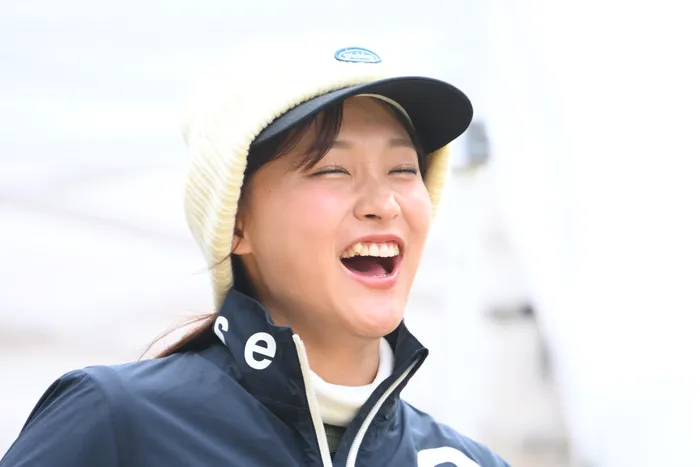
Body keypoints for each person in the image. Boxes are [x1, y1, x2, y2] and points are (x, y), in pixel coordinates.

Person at [0, 42, 510, 467]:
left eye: (403, 169)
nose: (384, 204)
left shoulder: (468, 461)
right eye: (333, 169)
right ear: (236, 222)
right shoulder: (116, 424)